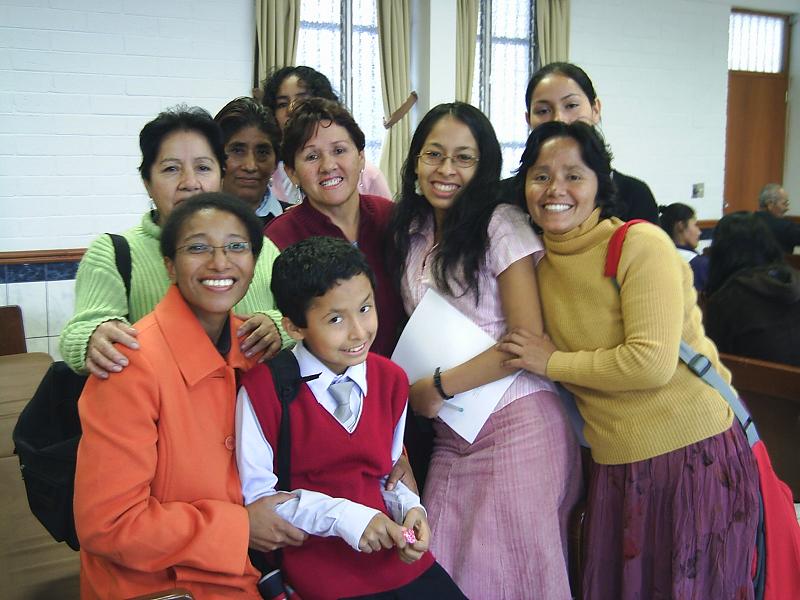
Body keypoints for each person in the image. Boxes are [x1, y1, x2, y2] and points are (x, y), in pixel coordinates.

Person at [500, 121, 760, 599]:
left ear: (600, 183)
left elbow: (651, 363)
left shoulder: (640, 245)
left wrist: (551, 362)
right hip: (617, 464)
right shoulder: (538, 264)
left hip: (689, 455)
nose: (555, 189)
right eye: (540, 175)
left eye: (574, 175)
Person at [390, 102, 580, 599]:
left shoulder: (501, 223)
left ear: (484, 167)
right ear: (414, 161)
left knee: (513, 574)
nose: (446, 170)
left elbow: (525, 340)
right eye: (434, 154)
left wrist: (437, 387)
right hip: (453, 430)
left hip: (516, 422)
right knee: (442, 563)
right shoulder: (411, 233)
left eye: (463, 158)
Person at [74, 193, 306, 600]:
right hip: (157, 585)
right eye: (198, 247)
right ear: (169, 265)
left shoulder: (253, 347)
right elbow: (108, 524)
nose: (220, 262)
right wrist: (241, 526)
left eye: (237, 246)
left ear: (255, 264)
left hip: (249, 575)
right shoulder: (130, 363)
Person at [236, 236, 466, 600]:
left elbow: (388, 473)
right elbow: (260, 499)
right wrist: (347, 518)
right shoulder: (264, 390)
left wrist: (411, 511)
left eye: (365, 308)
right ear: (294, 326)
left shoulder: (390, 379)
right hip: (318, 568)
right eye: (335, 319)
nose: (359, 331)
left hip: (392, 556)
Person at [60, 106, 289, 379]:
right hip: (163, 414)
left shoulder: (260, 248)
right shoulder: (115, 252)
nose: (190, 183)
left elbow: (304, 320)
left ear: (221, 175)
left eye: (203, 167)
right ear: (147, 182)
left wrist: (278, 327)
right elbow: (79, 331)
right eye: (171, 169)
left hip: (252, 413)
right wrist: (94, 336)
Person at [265, 98, 403, 358]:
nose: (328, 166)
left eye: (339, 150)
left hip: (401, 382)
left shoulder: (392, 219)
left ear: (361, 157)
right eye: (312, 156)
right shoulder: (278, 239)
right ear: (292, 172)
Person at [521, 62, 659, 223]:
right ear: (528, 119)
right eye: (543, 111)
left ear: (596, 110)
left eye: (571, 105)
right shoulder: (506, 198)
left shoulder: (635, 194)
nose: (559, 118)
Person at [261, 65, 391, 204]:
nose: (291, 109)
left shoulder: (367, 176)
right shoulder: (268, 176)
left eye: (301, 100)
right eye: (282, 104)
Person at [704, 211, 800, 366]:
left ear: (720, 252)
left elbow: (715, 361)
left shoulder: (726, 299)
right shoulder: (795, 277)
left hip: (751, 386)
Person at [214, 97, 288, 226]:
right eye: (237, 151)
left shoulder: (296, 224)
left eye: (262, 152)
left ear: (276, 161)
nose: (250, 166)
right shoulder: (191, 224)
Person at [658, 202, 709, 292]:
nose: (699, 232)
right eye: (695, 225)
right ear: (680, 226)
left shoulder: (658, 254)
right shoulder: (699, 264)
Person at [754, 183, 800, 253]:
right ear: (770, 204)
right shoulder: (786, 227)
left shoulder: (743, 224)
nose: (787, 208)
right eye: (784, 204)